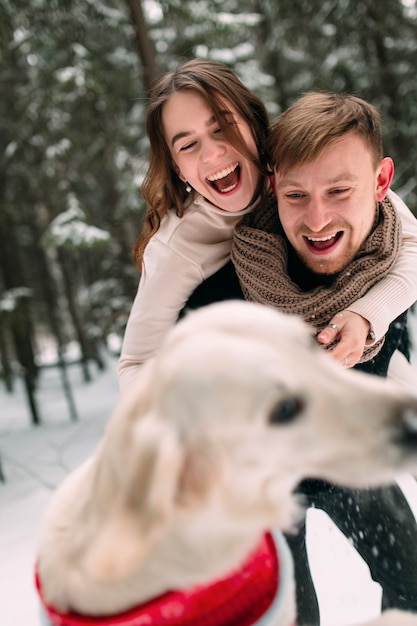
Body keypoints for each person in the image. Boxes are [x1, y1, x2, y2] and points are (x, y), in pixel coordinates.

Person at [224, 92, 417, 624]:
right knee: (291, 615)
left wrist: (367, 317)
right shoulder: (230, 276)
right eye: (296, 195)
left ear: (381, 184)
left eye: (339, 190)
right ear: (272, 188)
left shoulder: (389, 254)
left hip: (344, 454)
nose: (317, 218)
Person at [117, 59, 417, 392]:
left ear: (255, 124)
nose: (212, 153)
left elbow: (410, 240)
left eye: (223, 128)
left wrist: (369, 313)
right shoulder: (178, 248)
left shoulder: (297, 161)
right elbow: (135, 364)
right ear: (177, 168)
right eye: (188, 145)